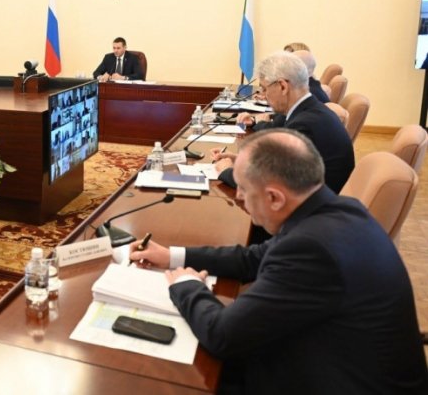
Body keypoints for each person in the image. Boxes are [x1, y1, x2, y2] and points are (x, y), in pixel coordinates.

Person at [129, 129, 428, 395]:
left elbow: (223, 335)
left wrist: (187, 285)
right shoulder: (336, 210)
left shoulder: (311, 249)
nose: (240, 197)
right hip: (335, 357)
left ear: (275, 198)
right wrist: (171, 256)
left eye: (244, 189)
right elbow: (253, 258)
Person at [213, 51, 354, 194]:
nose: (263, 96)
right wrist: (241, 161)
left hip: (311, 205)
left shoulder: (304, 125)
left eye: (264, 88)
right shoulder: (310, 112)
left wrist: (227, 171)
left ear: (283, 86)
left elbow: (268, 183)